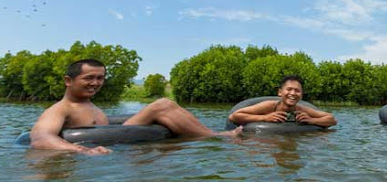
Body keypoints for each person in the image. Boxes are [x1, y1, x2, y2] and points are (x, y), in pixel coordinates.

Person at [30, 59, 242, 155]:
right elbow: (41, 139)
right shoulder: (60, 109)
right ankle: (216, 136)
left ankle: (209, 134)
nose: (96, 83)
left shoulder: (89, 105)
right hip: (104, 152)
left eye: (100, 78)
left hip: (119, 147)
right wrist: (83, 150)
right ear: (69, 81)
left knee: (163, 107)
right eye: (89, 78)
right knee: (162, 105)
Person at [228, 75, 337, 128]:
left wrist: (311, 120)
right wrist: (265, 118)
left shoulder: (301, 109)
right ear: (280, 92)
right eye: (289, 89)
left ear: (301, 95)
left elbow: (332, 119)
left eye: (297, 91)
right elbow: (234, 116)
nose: (293, 93)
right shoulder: (268, 106)